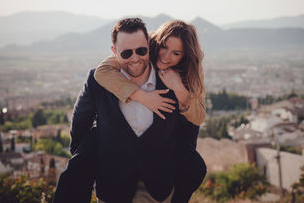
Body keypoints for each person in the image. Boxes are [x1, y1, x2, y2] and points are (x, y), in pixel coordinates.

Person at [54, 18, 189, 203]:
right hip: (112, 189)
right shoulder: (98, 82)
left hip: (159, 190)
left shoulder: (171, 79)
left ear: (149, 46)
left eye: (141, 50)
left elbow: (187, 133)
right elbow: (79, 128)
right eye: (126, 53)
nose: (135, 58)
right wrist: (89, 165)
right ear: (114, 52)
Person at [94, 20, 206, 202]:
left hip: (164, 175)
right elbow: (102, 71)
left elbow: (199, 116)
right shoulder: (141, 49)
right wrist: (143, 96)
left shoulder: (190, 72)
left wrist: (178, 88)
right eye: (164, 47)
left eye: (176, 53)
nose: (166, 56)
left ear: (185, 57)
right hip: (116, 180)